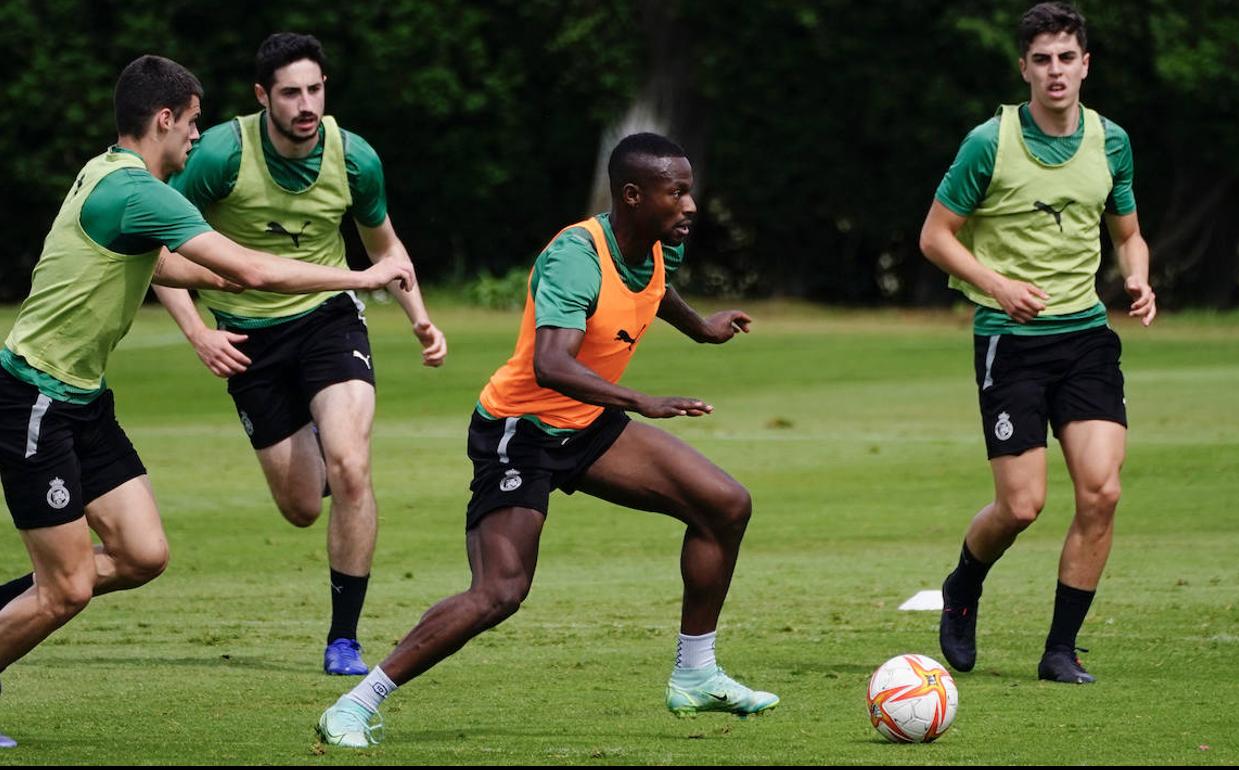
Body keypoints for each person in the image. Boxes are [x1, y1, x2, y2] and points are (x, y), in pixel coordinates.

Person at [0, 54, 413, 747]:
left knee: (141, 554)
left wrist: (240, 284)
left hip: (83, 401)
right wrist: (361, 275)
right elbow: (246, 266)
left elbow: (167, 263)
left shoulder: (107, 173)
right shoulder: (139, 191)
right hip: (34, 400)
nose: (197, 137)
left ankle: (24, 600)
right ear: (165, 118)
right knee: (67, 589)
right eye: (191, 124)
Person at [315, 132, 778, 747]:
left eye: (689, 191)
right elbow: (550, 366)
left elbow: (652, 288)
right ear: (634, 196)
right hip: (520, 431)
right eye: (678, 193)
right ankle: (355, 703)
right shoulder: (575, 255)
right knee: (500, 592)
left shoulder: (662, 242)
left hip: (586, 424)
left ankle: (695, 674)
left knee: (725, 505)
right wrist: (643, 401)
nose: (690, 205)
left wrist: (701, 329)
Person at [152, 33, 447, 677]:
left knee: (351, 465)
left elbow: (385, 249)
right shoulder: (221, 156)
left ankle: (344, 639)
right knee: (300, 508)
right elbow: (155, 252)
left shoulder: (355, 159)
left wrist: (421, 320)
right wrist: (199, 331)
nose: (306, 103)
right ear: (263, 96)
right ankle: (313, 432)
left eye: (315, 89)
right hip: (249, 339)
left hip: (329, 321)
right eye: (290, 92)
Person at [918, 2, 1156, 684]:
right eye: (1043, 59)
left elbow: (1128, 232)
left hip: (1085, 338)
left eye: (1067, 58)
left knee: (1102, 493)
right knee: (1022, 505)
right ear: (1024, 68)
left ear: (1086, 65)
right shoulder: (987, 143)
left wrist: (1138, 278)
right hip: (1010, 341)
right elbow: (935, 237)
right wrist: (996, 286)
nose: (1056, 71)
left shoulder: (1111, 142)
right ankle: (964, 586)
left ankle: (1060, 650)